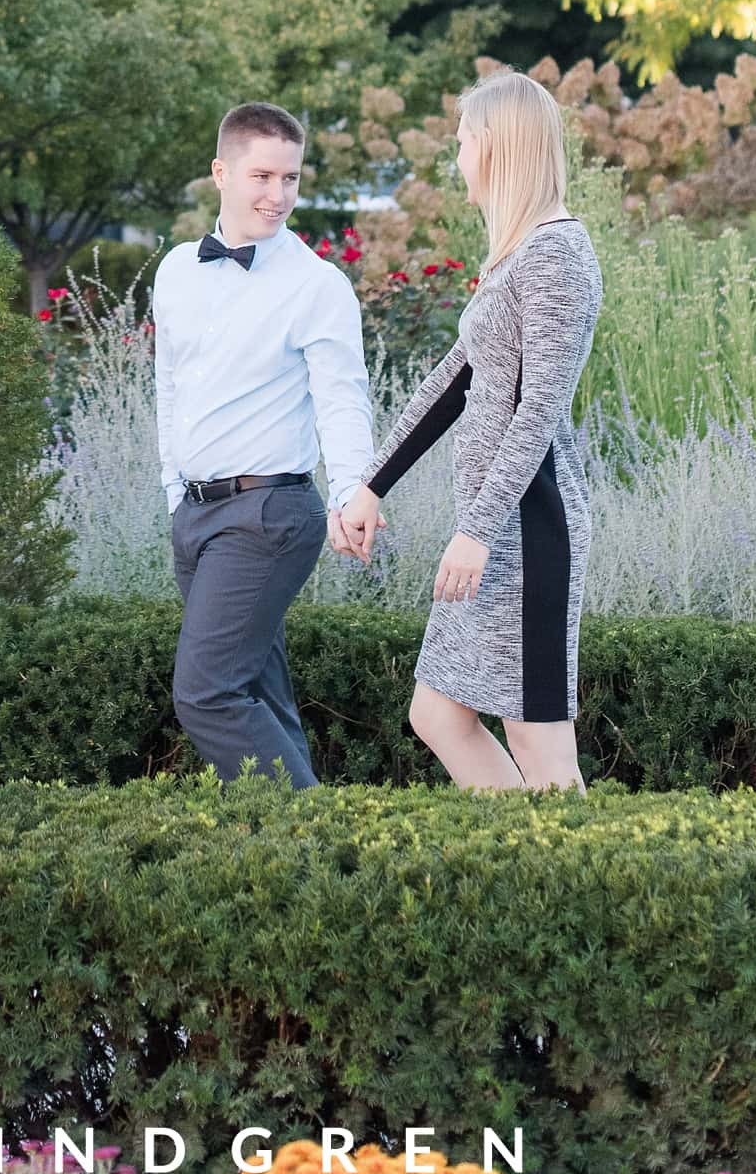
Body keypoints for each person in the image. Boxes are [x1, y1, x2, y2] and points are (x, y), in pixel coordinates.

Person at [333, 71, 603, 793]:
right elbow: (453, 383)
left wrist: (477, 529)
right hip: (494, 528)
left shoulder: (557, 257)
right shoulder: (516, 259)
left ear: (494, 146)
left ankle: (584, 884)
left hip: (528, 527)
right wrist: (370, 487)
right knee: (437, 714)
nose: (457, 162)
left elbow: (536, 412)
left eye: (461, 144)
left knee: (539, 745)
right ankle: (525, 873)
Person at [153, 100, 375, 789]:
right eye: (262, 176)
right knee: (256, 694)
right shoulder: (176, 271)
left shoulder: (317, 286)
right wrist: (173, 496)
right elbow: (170, 389)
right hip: (196, 516)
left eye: (291, 179)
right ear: (221, 172)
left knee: (207, 693)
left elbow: (342, 398)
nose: (277, 196)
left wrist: (351, 493)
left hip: (268, 516)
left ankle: (308, 836)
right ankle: (288, 860)